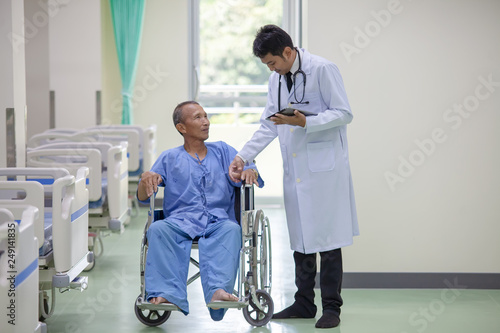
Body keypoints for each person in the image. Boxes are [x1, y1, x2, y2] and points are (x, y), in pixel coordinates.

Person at [229, 25, 359, 329]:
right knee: (300, 238)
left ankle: (331, 308)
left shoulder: (323, 69)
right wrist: (243, 156)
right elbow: (269, 124)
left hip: (325, 169)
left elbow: (344, 113)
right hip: (297, 170)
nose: (271, 69)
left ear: (288, 52)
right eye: (267, 66)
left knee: (328, 239)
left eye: (273, 62)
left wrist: (306, 121)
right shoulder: (276, 79)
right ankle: (303, 304)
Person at [137, 101, 263, 321]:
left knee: (232, 230)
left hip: (218, 222)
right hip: (179, 222)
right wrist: (145, 178)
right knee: (158, 229)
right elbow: (142, 196)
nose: (205, 121)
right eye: (197, 117)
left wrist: (250, 170)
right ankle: (166, 293)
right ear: (181, 128)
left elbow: (246, 162)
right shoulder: (169, 157)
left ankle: (219, 292)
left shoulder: (223, 150)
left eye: (205, 116)